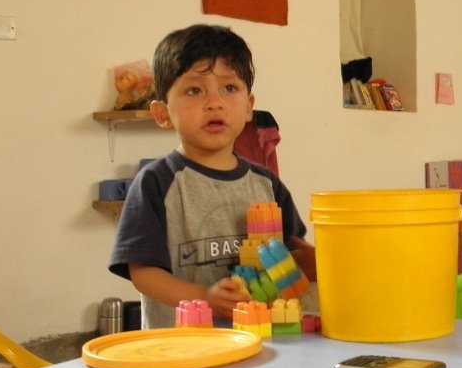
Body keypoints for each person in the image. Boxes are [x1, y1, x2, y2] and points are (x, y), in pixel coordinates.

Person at [109, 24, 315, 329]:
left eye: (229, 88)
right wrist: (205, 298)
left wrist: (313, 264)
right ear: (162, 113)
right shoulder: (157, 182)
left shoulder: (267, 184)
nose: (214, 102)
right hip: (184, 346)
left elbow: (290, 255)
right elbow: (144, 274)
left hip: (261, 340)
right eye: (195, 90)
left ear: (249, 107)